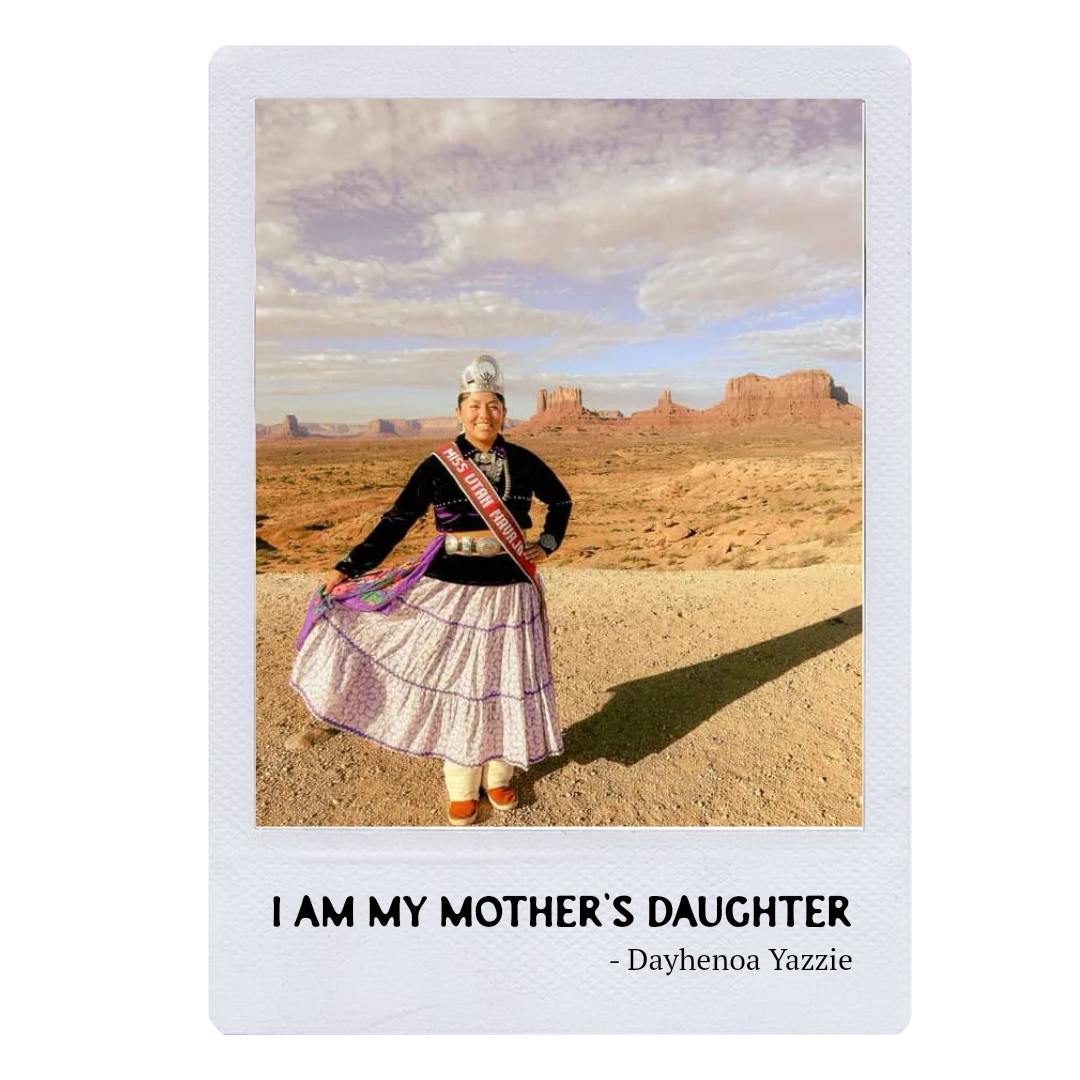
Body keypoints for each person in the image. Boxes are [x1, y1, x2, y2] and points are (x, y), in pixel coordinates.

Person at [290, 355, 572, 826]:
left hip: (511, 586)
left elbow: (560, 500)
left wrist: (547, 540)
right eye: (474, 406)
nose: (484, 415)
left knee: (506, 679)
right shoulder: (438, 466)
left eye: (493, 405)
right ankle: (461, 783)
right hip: (451, 588)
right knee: (461, 684)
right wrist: (347, 566)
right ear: (460, 411)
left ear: (504, 411)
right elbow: (396, 522)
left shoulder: (523, 461)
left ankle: (499, 775)